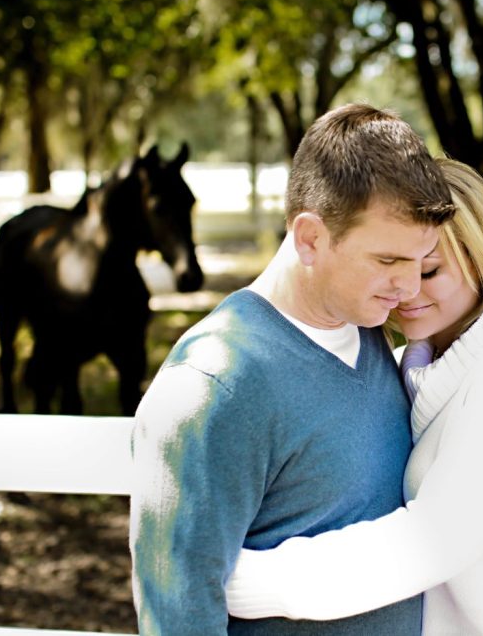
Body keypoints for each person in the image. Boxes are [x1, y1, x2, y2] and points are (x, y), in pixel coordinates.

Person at [225, 159, 483, 635]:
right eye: (391, 263)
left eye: (428, 271)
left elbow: (426, 545)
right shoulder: (414, 364)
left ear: (482, 260)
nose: (406, 289)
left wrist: (229, 576)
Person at [129, 103, 456, 635]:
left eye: (420, 263)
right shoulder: (214, 385)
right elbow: (179, 610)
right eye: (388, 261)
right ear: (310, 239)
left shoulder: (370, 330)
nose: (411, 288)